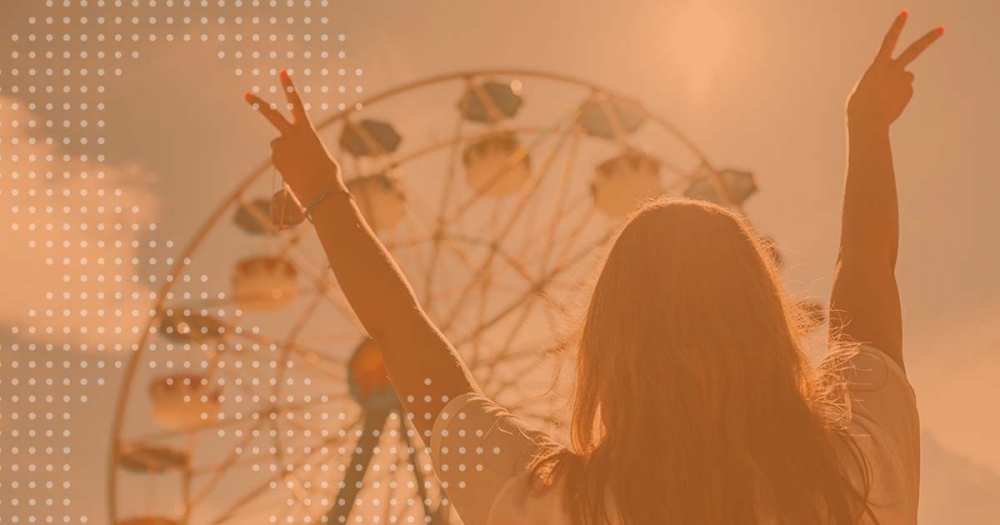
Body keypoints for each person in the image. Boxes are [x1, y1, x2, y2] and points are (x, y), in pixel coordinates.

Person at [245, 11, 942, 525]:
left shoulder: (557, 505)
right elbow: (869, 278)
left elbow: (402, 338)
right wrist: (867, 129)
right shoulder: (861, 470)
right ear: (768, 322)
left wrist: (325, 194)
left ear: (609, 345)